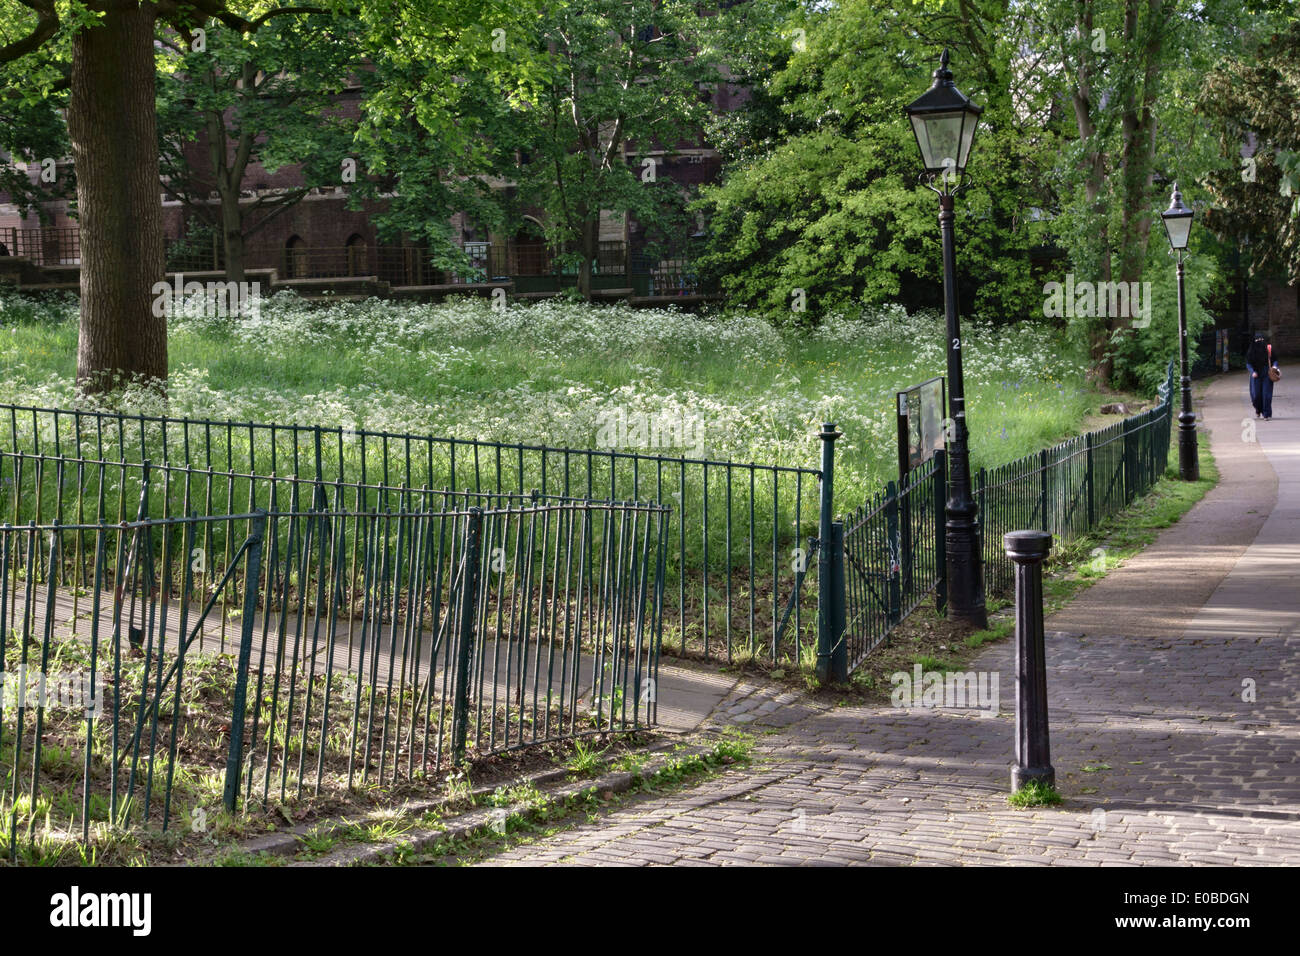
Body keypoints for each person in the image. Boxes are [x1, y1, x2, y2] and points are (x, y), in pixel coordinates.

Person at [1245, 332, 1279, 420]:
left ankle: (1266, 414)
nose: (1259, 342)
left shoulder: (1268, 349)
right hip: (1255, 375)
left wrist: (1274, 366)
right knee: (1256, 395)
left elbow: (1274, 360)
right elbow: (1248, 363)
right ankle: (1258, 409)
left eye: (1261, 340)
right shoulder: (1251, 351)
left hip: (1267, 373)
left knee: (1266, 395)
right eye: (1257, 340)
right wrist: (1252, 372)